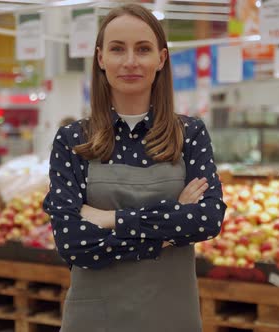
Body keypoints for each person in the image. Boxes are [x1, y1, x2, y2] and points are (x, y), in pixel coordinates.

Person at [43, 4, 226, 332]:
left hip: (172, 317)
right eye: (117, 49)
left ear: (161, 59)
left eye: (143, 49)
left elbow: (207, 220)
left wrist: (111, 219)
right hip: (94, 320)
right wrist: (170, 231)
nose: (130, 61)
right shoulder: (73, 140)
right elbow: (73, 244)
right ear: (101, 59)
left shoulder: (190, 134)